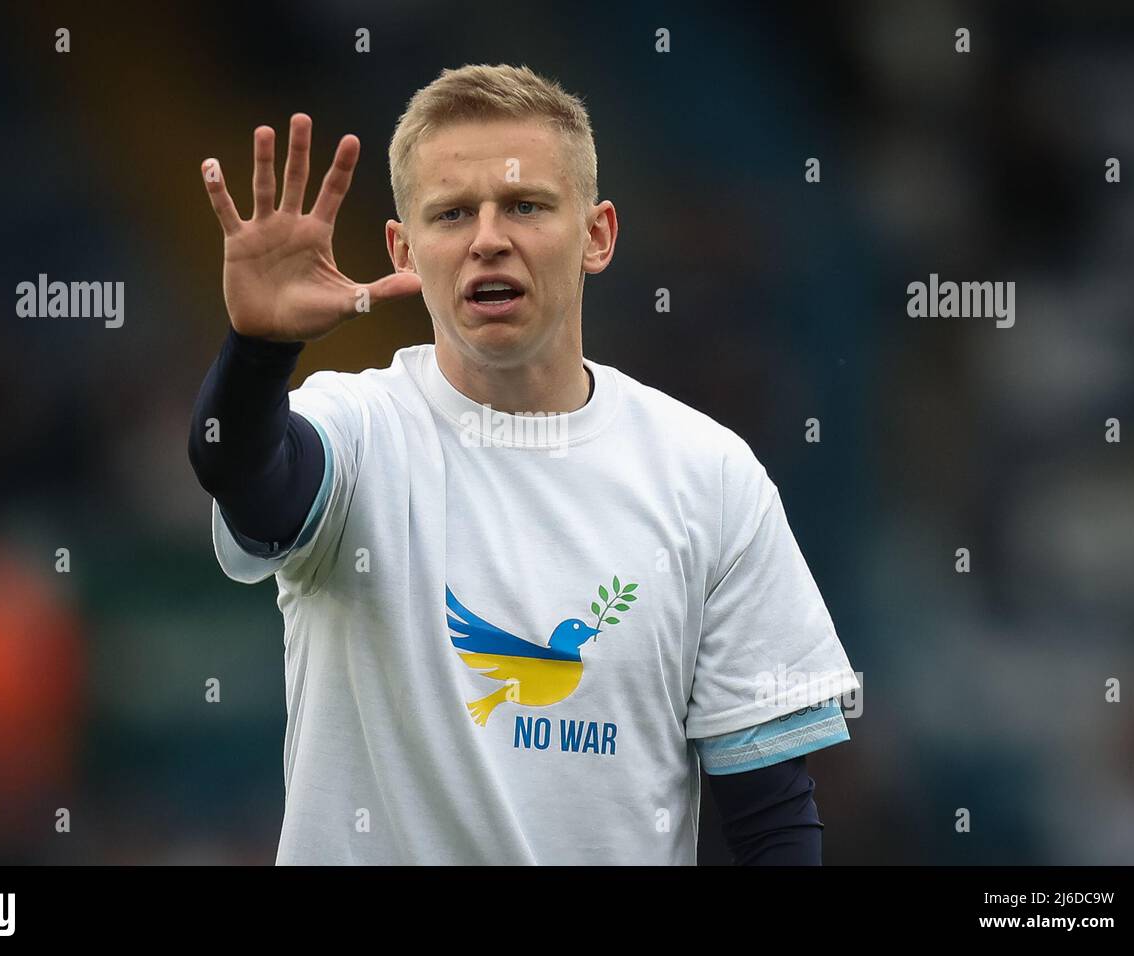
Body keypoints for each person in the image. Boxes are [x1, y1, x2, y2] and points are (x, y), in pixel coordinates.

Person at [189, 63, 860, 865]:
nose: (488, 238)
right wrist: (259, 352)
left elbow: (772, 822)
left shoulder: (711, 478)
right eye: (452, 214)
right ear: (404, 249)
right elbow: (242, 474)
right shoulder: (357, 429)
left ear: (598, 235)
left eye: (527, 206)